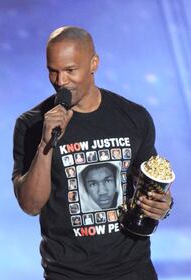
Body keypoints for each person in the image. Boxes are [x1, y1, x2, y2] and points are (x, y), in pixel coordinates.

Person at [12, 26, 173, 279]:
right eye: (52, 71)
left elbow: (151, 186)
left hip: (132, 269)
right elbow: (31, 205)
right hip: (67, 272)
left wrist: (163, 205)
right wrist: (46, 144)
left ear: (93, 63)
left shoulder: (133, 117)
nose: (60, 81)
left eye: (70, 70)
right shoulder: (32, 124)